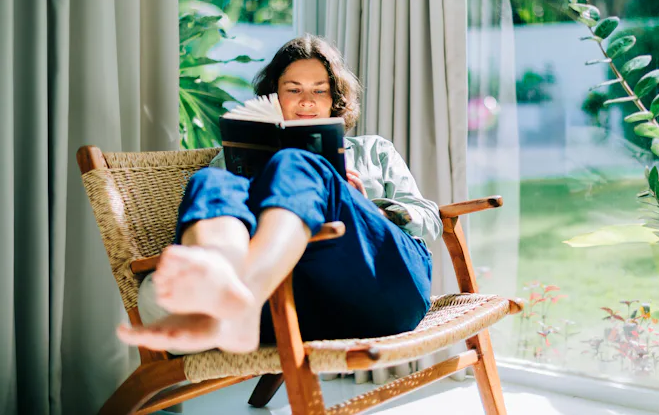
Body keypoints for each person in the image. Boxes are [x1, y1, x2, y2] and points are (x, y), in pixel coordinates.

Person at [118, 35, 441, 354]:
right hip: (294, 303)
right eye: (293, 90)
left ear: (335, 99)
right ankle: (224, 298)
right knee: (210, 180)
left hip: (386, 287)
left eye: (319, 90)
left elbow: (430, 219)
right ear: (274, 97)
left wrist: (368, 208)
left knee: (295, 162)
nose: (307, 101)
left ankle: (239, 298)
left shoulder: (374, 150)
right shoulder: (232, 162)